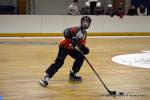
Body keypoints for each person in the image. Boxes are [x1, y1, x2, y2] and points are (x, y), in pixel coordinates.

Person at [39, 16, 92, 87]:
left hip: (71, 48)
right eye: (84, 22)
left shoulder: (84, 33)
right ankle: (45, 78)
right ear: (81, 22)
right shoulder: (76, 29)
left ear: (89, 24)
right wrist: (70, 37)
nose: (85, 23)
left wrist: (84, 49)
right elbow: (66, 31)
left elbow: (81, 44)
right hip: (64, 46)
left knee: (80, 57)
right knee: (59, 63)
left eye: (87, 22)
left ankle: (73, 74)